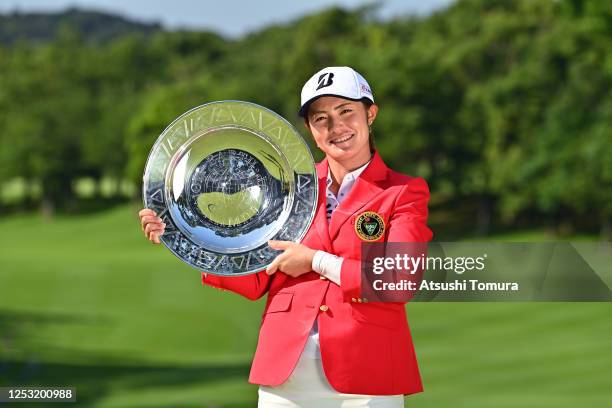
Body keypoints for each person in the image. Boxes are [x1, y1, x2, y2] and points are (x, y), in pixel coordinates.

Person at [139, 66, 433, 407]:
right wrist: (185, 239)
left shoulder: (403, 192)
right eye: (321, 118)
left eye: (346, 112)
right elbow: (255, 281)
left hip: (367, 376)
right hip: (286, 378)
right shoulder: (288, 190)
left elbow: (399, 280)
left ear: (371, 113)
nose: (335, 127)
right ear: (309, 129)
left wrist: (315, 261)